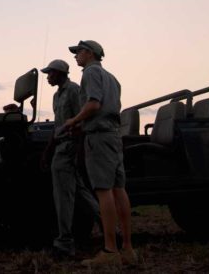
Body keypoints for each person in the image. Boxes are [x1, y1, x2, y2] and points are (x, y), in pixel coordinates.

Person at [63, 40, 137, 266]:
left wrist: (73, 120)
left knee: (103, 191)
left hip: (99, 137)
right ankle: (127, 249)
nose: (76, 57)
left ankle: (110, 251)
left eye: (78, 52)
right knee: (118, 189)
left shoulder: (90, 73)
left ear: (89, 53)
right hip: (113, 135)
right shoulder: (112, 78)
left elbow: (94, 105)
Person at [40, 58, 99, 259]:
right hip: (62, 147)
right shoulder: (57, 96)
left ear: (60, 73)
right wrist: (48, 150)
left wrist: (80, 150)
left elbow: (83, 120)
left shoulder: (73, 90)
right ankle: (110, 229)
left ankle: (64, 243)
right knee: (81, 193)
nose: (48, 77)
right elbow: (59, 126)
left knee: (63, 196)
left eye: (50, 73)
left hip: (69, 149)